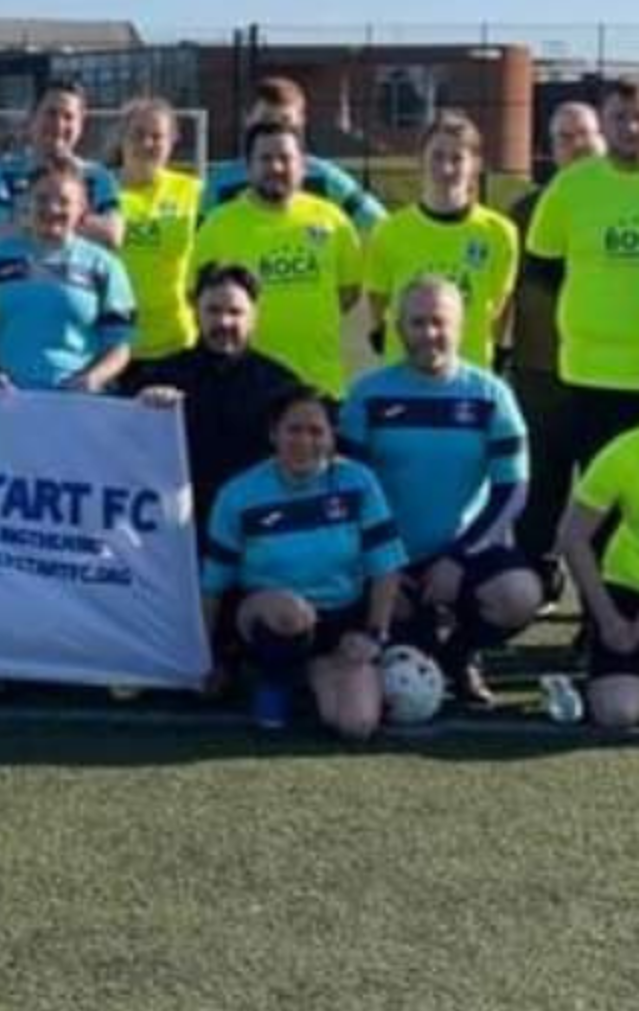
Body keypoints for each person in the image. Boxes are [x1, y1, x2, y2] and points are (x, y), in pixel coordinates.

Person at [339, 276, 540, 708]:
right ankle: (422, 641)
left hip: (465, 550)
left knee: (519, 596)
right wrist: (384, 563)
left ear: (460, 326)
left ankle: (461, 654)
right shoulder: (367, 396)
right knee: (395, 651)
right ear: (397, 328)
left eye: (439, 322)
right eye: (417, 323)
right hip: (387, 554)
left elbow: (512, 491)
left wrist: (458, 557)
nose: (429, 334)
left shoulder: (491, 394)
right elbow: (349, 491)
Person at [202, 385, 406, 736]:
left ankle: (314, 673)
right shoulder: (239, 493)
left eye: (316, 431)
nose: (304, 441)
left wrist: (374, 636)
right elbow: (213, 584)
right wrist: (205, 659)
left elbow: (386, 566)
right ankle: (271, 681)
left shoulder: (359, 482)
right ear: (273, 434)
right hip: (267, 614)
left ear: (332, 436)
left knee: (357, 725)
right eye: (293, 430)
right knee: (291, 612)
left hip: (340, 618)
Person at [122, 263, 299, 540]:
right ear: (195, 312)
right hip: (177, 534)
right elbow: (116, 445)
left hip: (255, 533)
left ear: (254, 316)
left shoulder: (282, 385)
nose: (224, 322)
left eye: (235, 312)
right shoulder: (159, 377)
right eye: (213, 311)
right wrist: (140, 409)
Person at [507, 100, 604, 595]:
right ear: (550, 149)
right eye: (565, 137)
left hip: (606, 379)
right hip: (540, 377)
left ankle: (604, 605)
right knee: (540, 492)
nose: (577, 145)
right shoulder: (525, 213)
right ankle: (533, 586)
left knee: (607, 496)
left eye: (585, 134)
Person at [189, 119, 362, 396]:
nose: (276, 167)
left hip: (318, 384)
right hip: (245, 387)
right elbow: (196, 297)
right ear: (248, 166)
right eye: (265, 159)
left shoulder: (333, 220)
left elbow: (349, 292)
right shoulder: (218, 224)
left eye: (285, 158)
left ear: (302, 165)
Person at [526, 77, 639, 473]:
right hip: (590, 374)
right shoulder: (570, 188)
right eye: (620, 117)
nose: (631, 127)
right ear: (604, 125)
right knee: (600, 495)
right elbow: (544, 268)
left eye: (638, 117)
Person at [0, 155, 135, 392]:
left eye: (64, 201)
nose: (52, 209)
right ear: (26, 203)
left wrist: (93, 378)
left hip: (78, 406)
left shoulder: (105, 266)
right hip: (7, 405)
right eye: (42, 199)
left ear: (82, 209)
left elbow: (120, 344)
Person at [364, 112, 518, 367]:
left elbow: (501, 306)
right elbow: (378, 299)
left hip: (470, 371)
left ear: (475, 165)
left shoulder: (499, 233)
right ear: (421, 161)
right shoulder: (389, 230)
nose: (446, 168)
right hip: (405, 372)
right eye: (437, 156)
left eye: (457, 159)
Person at [200, 76, 386, 233]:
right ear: (247, 120)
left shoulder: (326, 178)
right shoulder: (220, 184)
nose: (275, 131)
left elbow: (381, 226)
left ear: (302, 122)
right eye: (265, 121)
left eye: (285, 121)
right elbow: (190, 245)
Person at [557, 420, 639, 731]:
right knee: (617, 711)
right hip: (628, 586)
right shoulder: (626, 450)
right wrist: (611, 622)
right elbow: (572, 537)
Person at [0, 81, 124, 248]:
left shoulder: (98, 176)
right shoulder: (0, 172)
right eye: (51, 113)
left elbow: (112, 235)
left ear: (80, 126)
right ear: (32, 118)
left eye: (68, 117)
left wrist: (32, 218)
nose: (59, 124)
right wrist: (77, 220)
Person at [115, 96, 201, 359]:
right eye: (137, 134)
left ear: (172, 141)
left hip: (177, 342)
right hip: (111, 347)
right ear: (122, 137)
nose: (146, 143)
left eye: (157, 136)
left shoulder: (193, 192)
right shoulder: (98, 191)